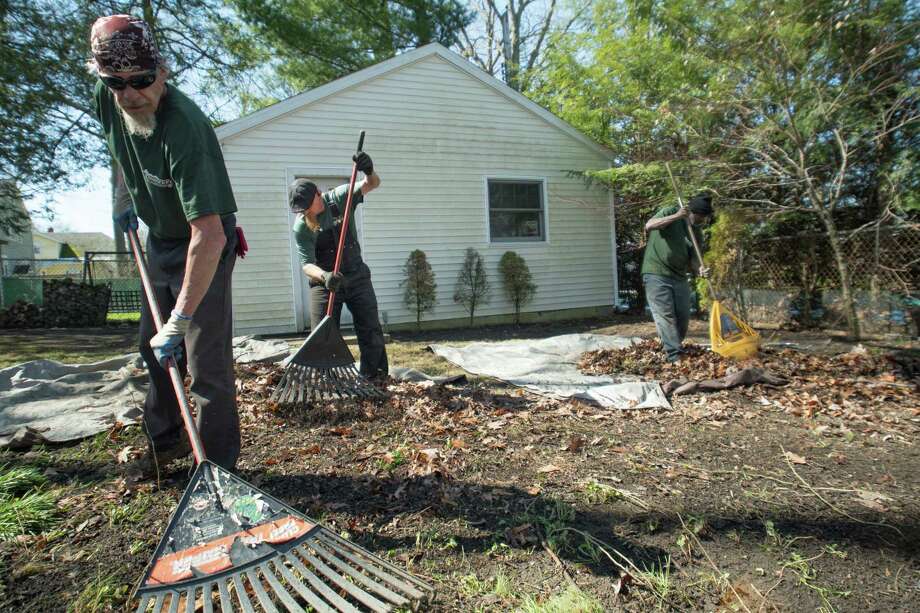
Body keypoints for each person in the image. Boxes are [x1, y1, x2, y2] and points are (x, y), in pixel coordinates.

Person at [89, 15, 241, 475]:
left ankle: (218, 469)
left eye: (141, 80)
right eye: (118, 83)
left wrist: (179, 319)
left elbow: (209, 234)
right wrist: (123, 195)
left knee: (203, 361)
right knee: (150, 349)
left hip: (206, 242)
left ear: (162, 71)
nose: (131, 93)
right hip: (161, 238)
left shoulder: (184, 128)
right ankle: (166, 440)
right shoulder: (110, 97)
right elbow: (120, 149)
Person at [289, 154, 388, 380]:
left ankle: (375, 378)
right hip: (326, 282)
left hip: (356, 275)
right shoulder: (301, 227)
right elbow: (307, 265)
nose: (305, 212)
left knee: (370, 329)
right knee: (321, 334)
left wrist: (369, 170)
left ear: (317, 194)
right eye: (300, 209)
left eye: (307, 206)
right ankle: (327, 381)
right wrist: (325, 276)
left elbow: (372, 184)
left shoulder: (341, 197)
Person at [641, 192, 713, 362]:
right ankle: (674, 356)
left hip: (679, 276)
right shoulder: (670, 212)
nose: (702, 220)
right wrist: (676, 216)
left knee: (682, 317)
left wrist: (700, 269)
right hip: (656, 273)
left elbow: (695, 259)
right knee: (666, 315)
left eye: (705, 217)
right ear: (691, 212)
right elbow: (649, 225)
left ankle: (671, 346)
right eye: (700, 216)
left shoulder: (696, 232)